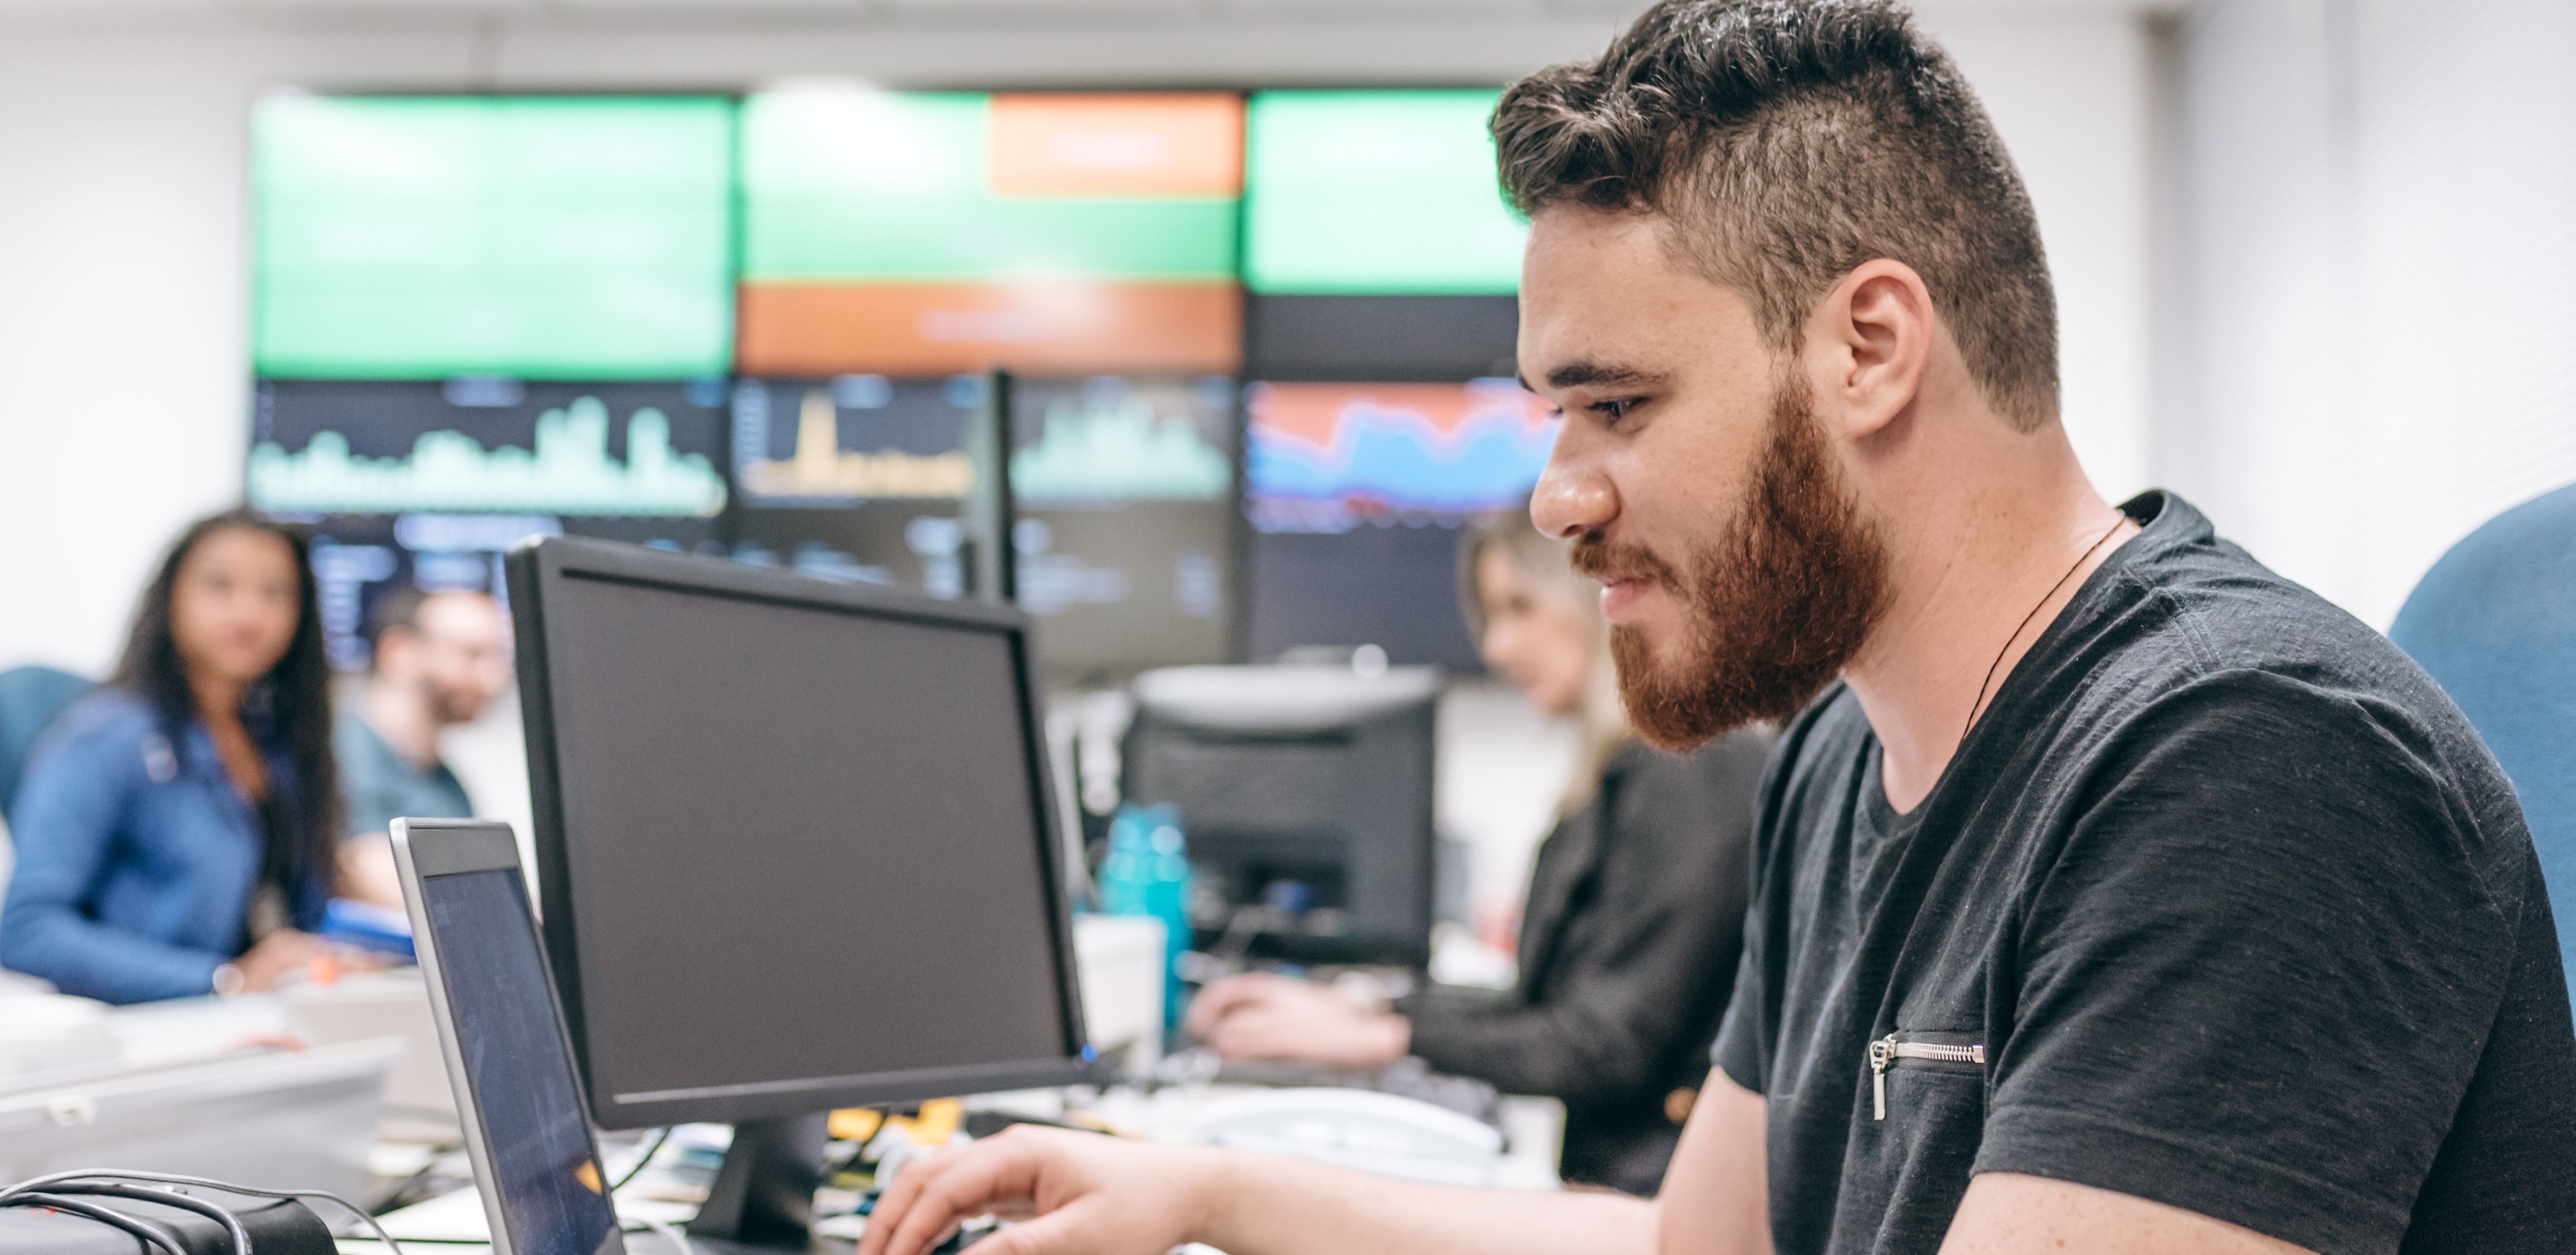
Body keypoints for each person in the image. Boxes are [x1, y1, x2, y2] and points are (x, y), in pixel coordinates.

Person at [858, 3, 2576, 1252]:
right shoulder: (1846, 756)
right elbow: (1701, 1253)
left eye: (1611, 403)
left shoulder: (2246, 762)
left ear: (1868, 347)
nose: (1556, 498)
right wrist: (1210, 1193)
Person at [1187, 508, 1766, 1194]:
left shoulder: (1691, 771)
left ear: (1594, 596)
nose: (1497, 647)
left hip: (1656, 1207)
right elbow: (1540, 1007)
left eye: (1520, 607)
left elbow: (1604, 1044)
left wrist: (1388, 1037)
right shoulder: (1621, 776)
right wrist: (1367, 1010)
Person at [0, 510, 377, 1004]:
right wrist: (223, 980)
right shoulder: (106, 738)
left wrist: (345, 956)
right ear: (171, 597)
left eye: (274, 592)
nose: (248, 612)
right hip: (150, 1027)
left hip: (248, 1021)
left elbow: (303, 910)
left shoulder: (278, 746)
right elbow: (27, 931)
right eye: (220, 586)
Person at [331, 586, 511, 907]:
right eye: (471, 654)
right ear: (399, 653)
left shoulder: (447, 782)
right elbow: (370, 879)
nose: (495, 678)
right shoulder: (341, 756)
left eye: (498, 656)